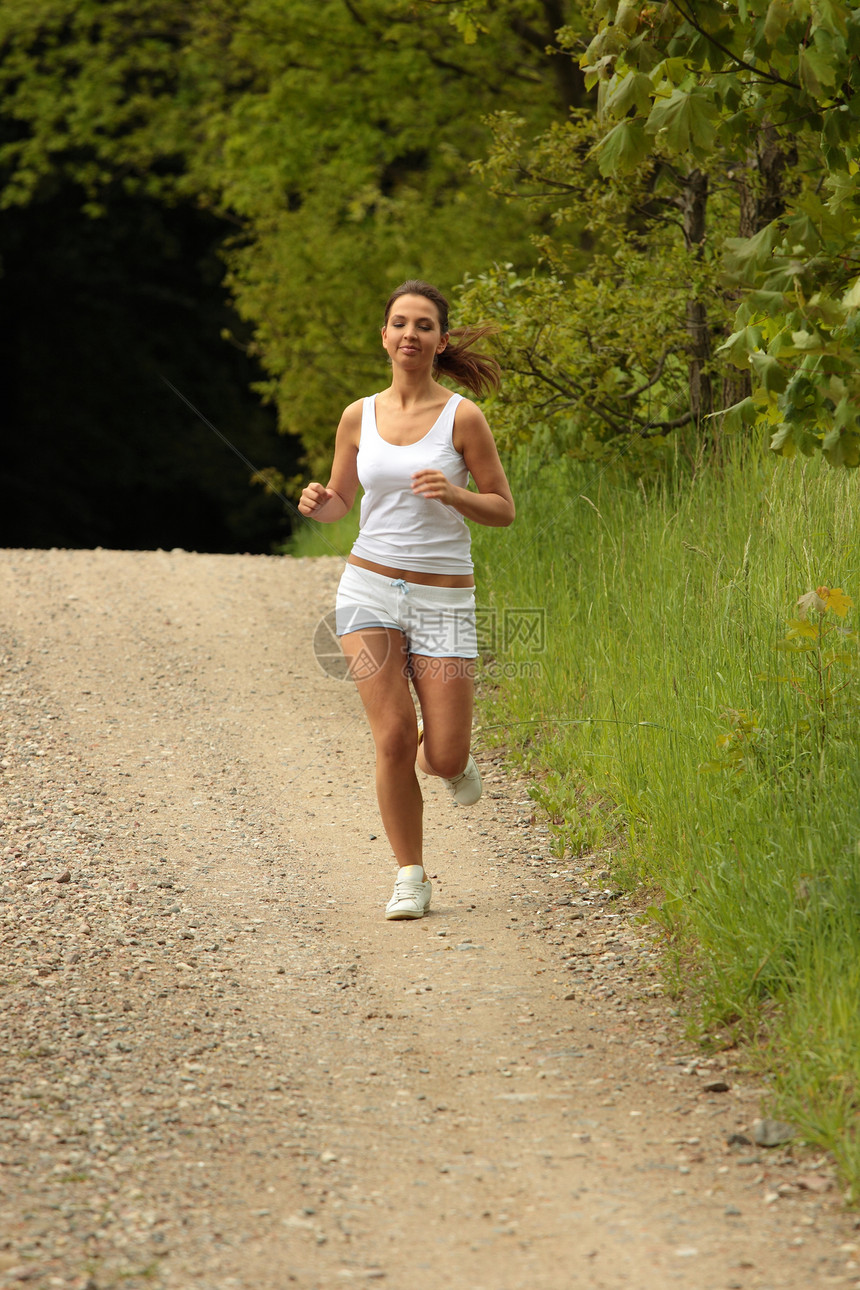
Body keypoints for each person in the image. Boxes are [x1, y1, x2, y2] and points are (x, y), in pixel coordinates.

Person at [298, 280, 514, 920]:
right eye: (400, 323)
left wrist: (456, 495)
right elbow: (340, 502)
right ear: (385, 336)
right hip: (367, 589)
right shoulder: (357, 415)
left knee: (443, 753)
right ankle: (410, 876)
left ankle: (452, 761)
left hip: (442, 599)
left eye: (424, 326)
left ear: (440, 341)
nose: (410, 335)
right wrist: (318, 504)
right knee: (392, 736)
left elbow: (502, 509)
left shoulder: (463, 418)